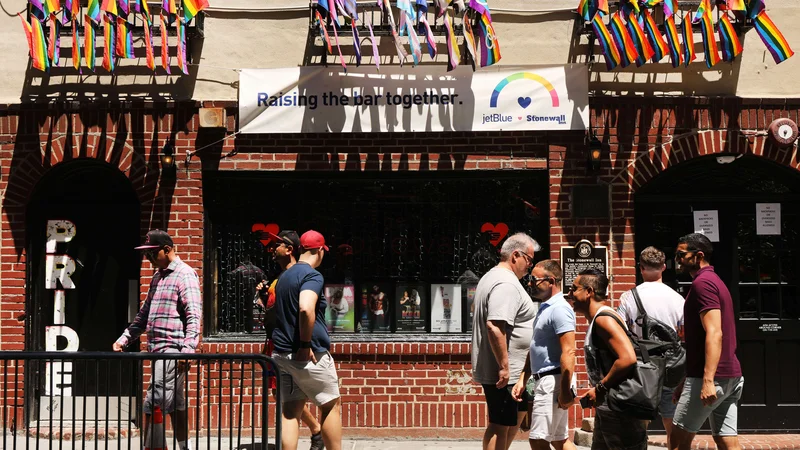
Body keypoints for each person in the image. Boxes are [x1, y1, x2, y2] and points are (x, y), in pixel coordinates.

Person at [112, 230, 201, 450]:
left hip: (172, 351)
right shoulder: (158, 276)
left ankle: (151, 448)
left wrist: (187, 350)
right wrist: (124, 338)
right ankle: (185, 447)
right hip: (159, 352)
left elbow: (193, 315)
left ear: (167, 249)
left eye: (152, 253)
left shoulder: (185, 274)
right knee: (177, 405)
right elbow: (144, 314)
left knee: (154, 403)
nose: (149, 258)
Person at [670, 233, 744, 450]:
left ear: (699, 255)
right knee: (727, 441)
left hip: (714, 377)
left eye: (682, 254)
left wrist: (707, 380)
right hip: (730, 376)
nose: (678, 259)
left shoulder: (704, 284)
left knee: (677, 441)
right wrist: (687, 378)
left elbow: (714, 333)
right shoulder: (715, 282)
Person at [271, 230, 342, 450]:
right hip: (308, 355)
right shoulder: (312, 275)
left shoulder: (284, 277)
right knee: (330, 405)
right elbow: (305, 307)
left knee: (291, 411)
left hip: (281, 355)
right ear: (319, 250)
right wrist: (305, 344)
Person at [255, 230, 324, 450]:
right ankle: (317, 431)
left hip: (296, 346)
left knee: (293, 399)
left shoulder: (302, 276)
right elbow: (274, 312)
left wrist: (306, 343)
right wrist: (266, 297)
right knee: (281, 394)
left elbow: (305, 310)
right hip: (277, 343)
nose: (273, 249)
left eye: (278, 245)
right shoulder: (278, 279)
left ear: (290, 249)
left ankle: (317, 431)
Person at [471, 233, 538, 450]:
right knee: (499, 425)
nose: (530, 265)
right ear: (515, 255)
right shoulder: (505, 284)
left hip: (516, 372)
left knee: (511, 422)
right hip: (506, 373)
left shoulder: (494, 278)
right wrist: (504, 367)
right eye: (529, 259)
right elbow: (495, 326)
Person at [569, 268, 646, 450]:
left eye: (574, 289)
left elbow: (627, 358)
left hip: (620, 409)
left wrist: (600, 387)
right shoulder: (598, 319)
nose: (570, 294)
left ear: (589, 292)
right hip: (609, 407)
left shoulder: (604, 320)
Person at [617, 246, 685, 445]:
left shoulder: (628, 297)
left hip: (641, 366)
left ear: (641, 268)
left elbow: (619, 330)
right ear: (664, 267)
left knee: (639, 422)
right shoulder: (677, 299)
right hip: (671, 367)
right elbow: (685, 333)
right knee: (672, 422)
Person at [513, 260, 576, 450]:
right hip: (547, 380)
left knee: (538, 440)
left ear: (551, 281)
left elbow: (569, 351)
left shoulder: (560, 309)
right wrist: (523, 378)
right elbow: (536, 346)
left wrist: (565, 390)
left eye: (534, 280)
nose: (530, 283)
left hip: (553, 382)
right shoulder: (546, 308)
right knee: (559, 440)